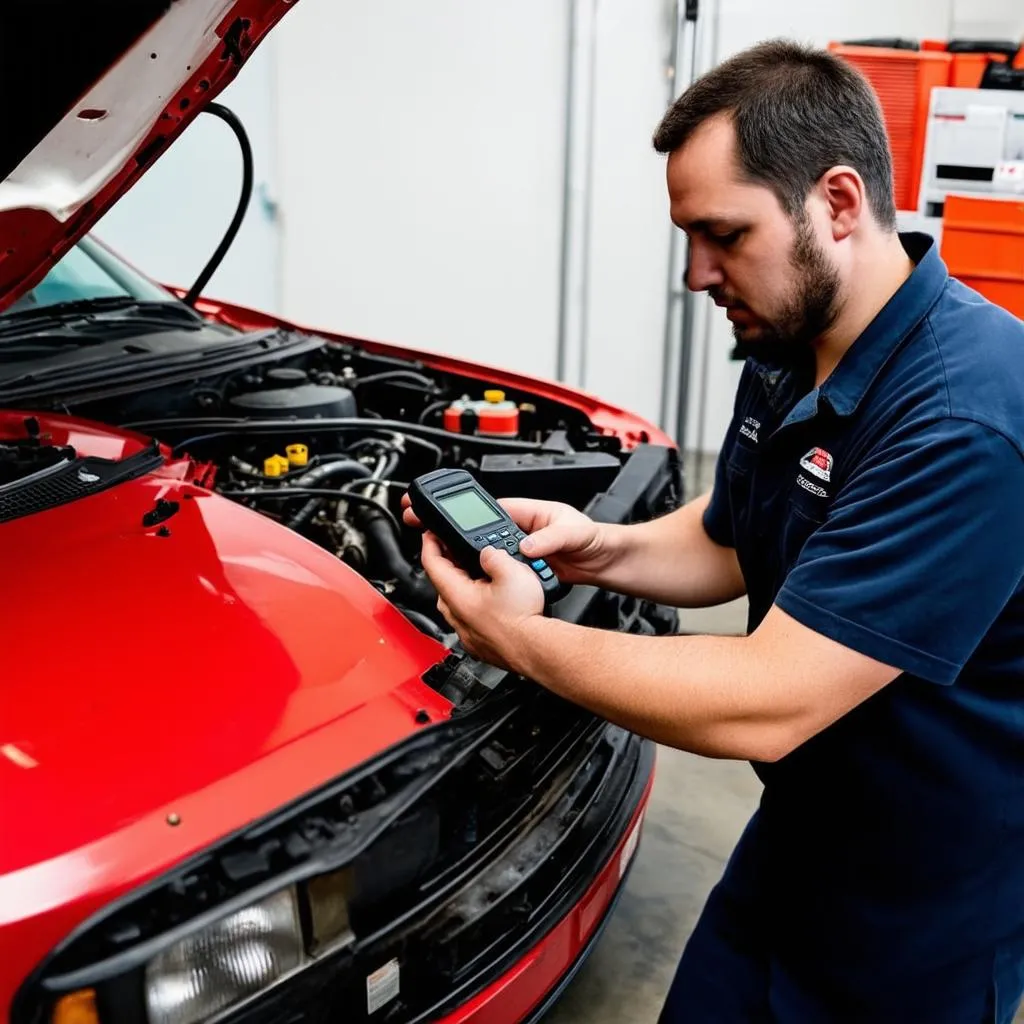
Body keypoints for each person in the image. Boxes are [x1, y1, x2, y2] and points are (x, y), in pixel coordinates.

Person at [404, 39, 1024, 1023]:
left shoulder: (964, 419)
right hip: (796, 847)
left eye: (723, 235)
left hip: (921, 912)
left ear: (836, 202)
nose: (697, 273)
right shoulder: (790, 345)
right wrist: (598, 545)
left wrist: (519, 639)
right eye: (687, 236)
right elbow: (734, 536)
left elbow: (767, 700)